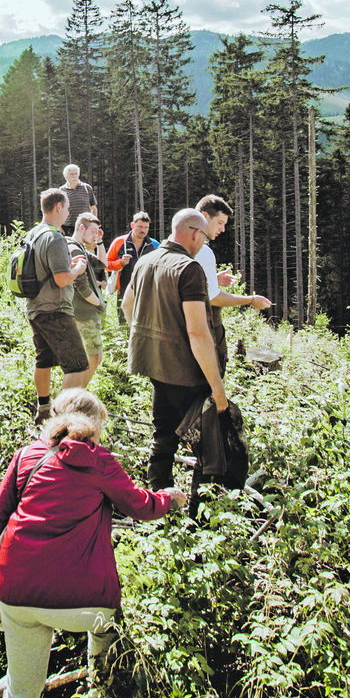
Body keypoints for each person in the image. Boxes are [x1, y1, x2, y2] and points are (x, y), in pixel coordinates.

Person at [0, 389, 184, 698]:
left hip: (16, 594)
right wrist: (170, 498)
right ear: (94, 427)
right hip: (84, 603)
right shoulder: (98, 461)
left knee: (22, 688)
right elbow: (141, 506)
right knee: (107, 628)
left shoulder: (26, 456)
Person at [122, 209, 228, 490]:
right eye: (204, 237)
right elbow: (197, 332)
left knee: (163, 435)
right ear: (195, 233)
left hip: (155, 366)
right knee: (207, 445)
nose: (203, 243)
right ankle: (201, 516)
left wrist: (147, 339)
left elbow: (126, 305)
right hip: (187, 372)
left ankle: (158, 498)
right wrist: (218, 389)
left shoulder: (146, 260)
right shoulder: (188, 269)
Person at [24, 188, 92, 424]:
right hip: (55, 310)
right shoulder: (54, 236)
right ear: (58, 208)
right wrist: (78, 269)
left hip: (35, 308)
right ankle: (62, 420)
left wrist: (68, 267)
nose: (68, 213)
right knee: (78, 366)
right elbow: (62, 278)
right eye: (67, 209)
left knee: (43, 360)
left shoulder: (32, 234)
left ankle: (43, 410)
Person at [193, 194, 272, 366]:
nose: (222, 229)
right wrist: (251, 300)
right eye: (220, 223)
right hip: (205, 333)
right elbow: (213, 298)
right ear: (205, 217)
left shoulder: (173, 246)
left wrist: (213, 279)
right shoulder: (203, 252)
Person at [67, 213, 109, 387]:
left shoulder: (80, 247)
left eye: (98, 232)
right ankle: (77, 395)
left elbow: (102, 265)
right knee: (93, 357)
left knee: (91, 357)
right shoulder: (74, 249)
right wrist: (99, 304)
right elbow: (81, 286)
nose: (96, 235)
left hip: (85, 312)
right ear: (81, 228)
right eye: (93, 231)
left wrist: (98, 242)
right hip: (83, 313)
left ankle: (76, 394)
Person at [105, 212, 160, 307]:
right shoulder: (119, 242)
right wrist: (120, 263)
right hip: (124, 292)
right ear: (132, 225)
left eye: (146, 227)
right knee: (124, 322)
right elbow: (105, 265)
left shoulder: (154, 244)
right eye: (140, 226)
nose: (143, 230)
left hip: (148, 293)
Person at [56, 164, 96, 237]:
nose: (74, 176)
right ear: (65, 176)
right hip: (67, 228)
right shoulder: (61, 191)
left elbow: (93, 208)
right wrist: (59, 227)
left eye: (75, 173)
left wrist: (94, 224)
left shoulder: (87, 188)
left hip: (85, 227)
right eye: (71, 174)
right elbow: (58, 210)